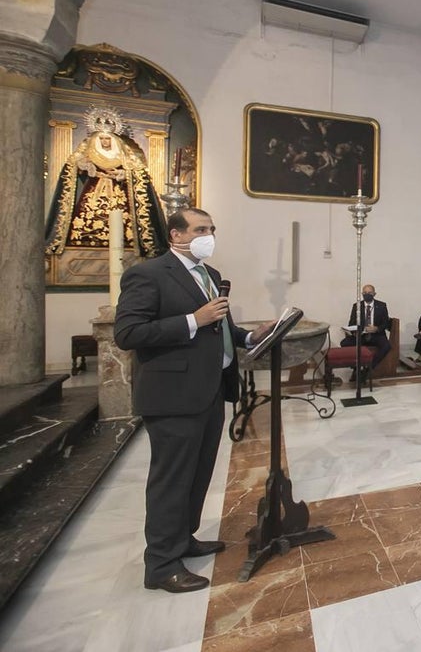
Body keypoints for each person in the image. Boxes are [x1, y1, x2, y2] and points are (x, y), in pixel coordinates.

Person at [113, 208, 272, 593]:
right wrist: (192, 320)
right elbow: (129, 332)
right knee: (171, 479)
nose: (209, 235)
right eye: (201, 229)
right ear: (177, 233)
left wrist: (250, 337)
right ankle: (162, 565)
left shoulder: (210, 275)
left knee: (198, 474)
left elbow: (222, 327)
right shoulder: (148, 274)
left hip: (209, 389)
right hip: (173, 394)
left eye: (212, 229)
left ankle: (183, 538)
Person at [45, 105, 168, 259]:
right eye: (101, 139)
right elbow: (73, 167)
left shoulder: (123, 154)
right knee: (86, 220)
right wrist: (87, 167)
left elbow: (139, 172)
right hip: (93, 192)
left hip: (118, 193)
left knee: (122, 223)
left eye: (107, 139)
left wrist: (123, 174)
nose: (104, 142)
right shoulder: (90, 152)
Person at [339, 284, 391, 380]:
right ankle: (356, 368)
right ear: (362, 294)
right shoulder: (357, 306)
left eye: (369, 293)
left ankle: (368, 368)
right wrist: (357, 330)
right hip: (361, 335)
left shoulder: (382, 305)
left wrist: (376, 328)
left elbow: (386, 323)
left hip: (376, 335)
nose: (367, 294)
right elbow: (351, 323)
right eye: (365, 293)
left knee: (387, 346)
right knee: (344, 343)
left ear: (374, 294)